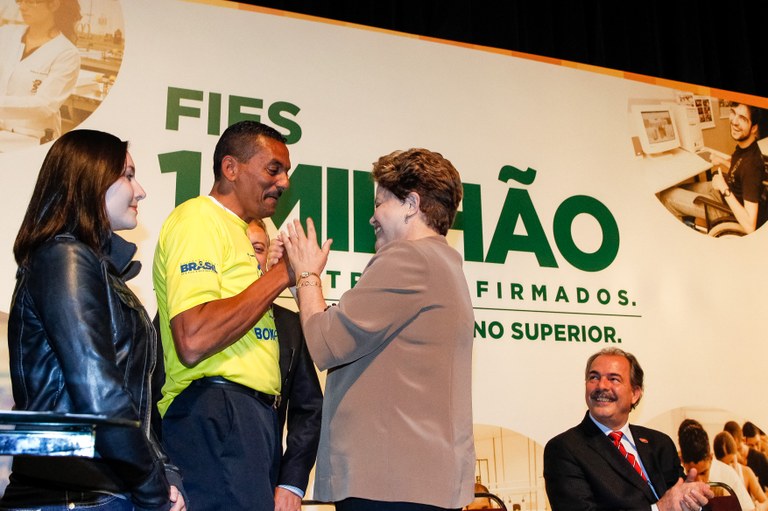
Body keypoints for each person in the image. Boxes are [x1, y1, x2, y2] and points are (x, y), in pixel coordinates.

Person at [278, 148, 475, 510]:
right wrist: (299, 283)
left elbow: (326, 343)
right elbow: (347, 333)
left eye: (381, 203)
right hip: (415, 484)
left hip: (390, 486)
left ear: (411, 204)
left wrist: (307, 274)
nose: (372, 218)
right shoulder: (444, 265)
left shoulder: (408, 259)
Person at [1, 129, 185, 510]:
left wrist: (164, 476)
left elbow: (135, 399)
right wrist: (153, 492)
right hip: (74, 497)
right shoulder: (63, 257)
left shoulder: (97, 271)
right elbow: (98, 393)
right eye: (128, 175)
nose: (141, 190)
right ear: (91, 179)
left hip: (102, 493)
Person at [152, 120, 293, 511]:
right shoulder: (197, 219)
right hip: (214, 411)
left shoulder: (240, 232)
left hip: (249, 418)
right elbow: (193, 338)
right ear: (230, 169)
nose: (283, 183)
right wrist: (283, 275)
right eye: (273, 169)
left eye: (286, 172)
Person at [543, 347, 713, 511]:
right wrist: (659, 509)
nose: (601, 385)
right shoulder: (564, 449)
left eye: (613, 379)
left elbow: (679, 497)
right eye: (593, 377)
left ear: (635, 393)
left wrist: (691, 501)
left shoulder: (660, 443)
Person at [247, 218, 323, 511]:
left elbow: (309, 410)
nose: (249, 257)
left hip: (265, 487)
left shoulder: (291, 325)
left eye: (257, 248)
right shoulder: (190, 314)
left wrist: (291, 482)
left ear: (268, 256)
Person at [658, 102, 766, 234]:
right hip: (725, 191)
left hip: (727, 207)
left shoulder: (752, 166)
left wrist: (724, 189)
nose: (734, 121)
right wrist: (722, 161)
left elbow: (750, 225)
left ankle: (683, 241)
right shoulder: (747, 147)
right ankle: (687, 220)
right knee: (677, 188)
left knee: (667, 196)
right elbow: (740, 166)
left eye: (743, 118)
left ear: (754, 128)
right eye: (733, 113)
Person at [0, 0, 81, 141]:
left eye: (31, 2)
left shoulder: (67, 52)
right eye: (20, 1)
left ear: (54, 5)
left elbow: (44, 106)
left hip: (33, 138)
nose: (22, 7)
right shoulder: (6, 34)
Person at [677, 419, 753, 511]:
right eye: (692, 473)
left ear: (710, 457)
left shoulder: (728, 476)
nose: (699, 481)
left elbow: (749, 509)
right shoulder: (676, 482)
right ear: (682, 461)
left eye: (703, 473)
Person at [714, 431, 768, 510]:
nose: (730, 467)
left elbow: (765, 502)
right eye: (726, 465)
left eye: (732, 461)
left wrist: (759, 508)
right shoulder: (716, 481)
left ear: (736, 454)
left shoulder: (746, 472)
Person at [743, 422, 768, 491]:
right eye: (751, 445)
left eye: (757, 443)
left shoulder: (761, 458)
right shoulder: (742, 460)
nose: (756, 449)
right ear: (744, 443)